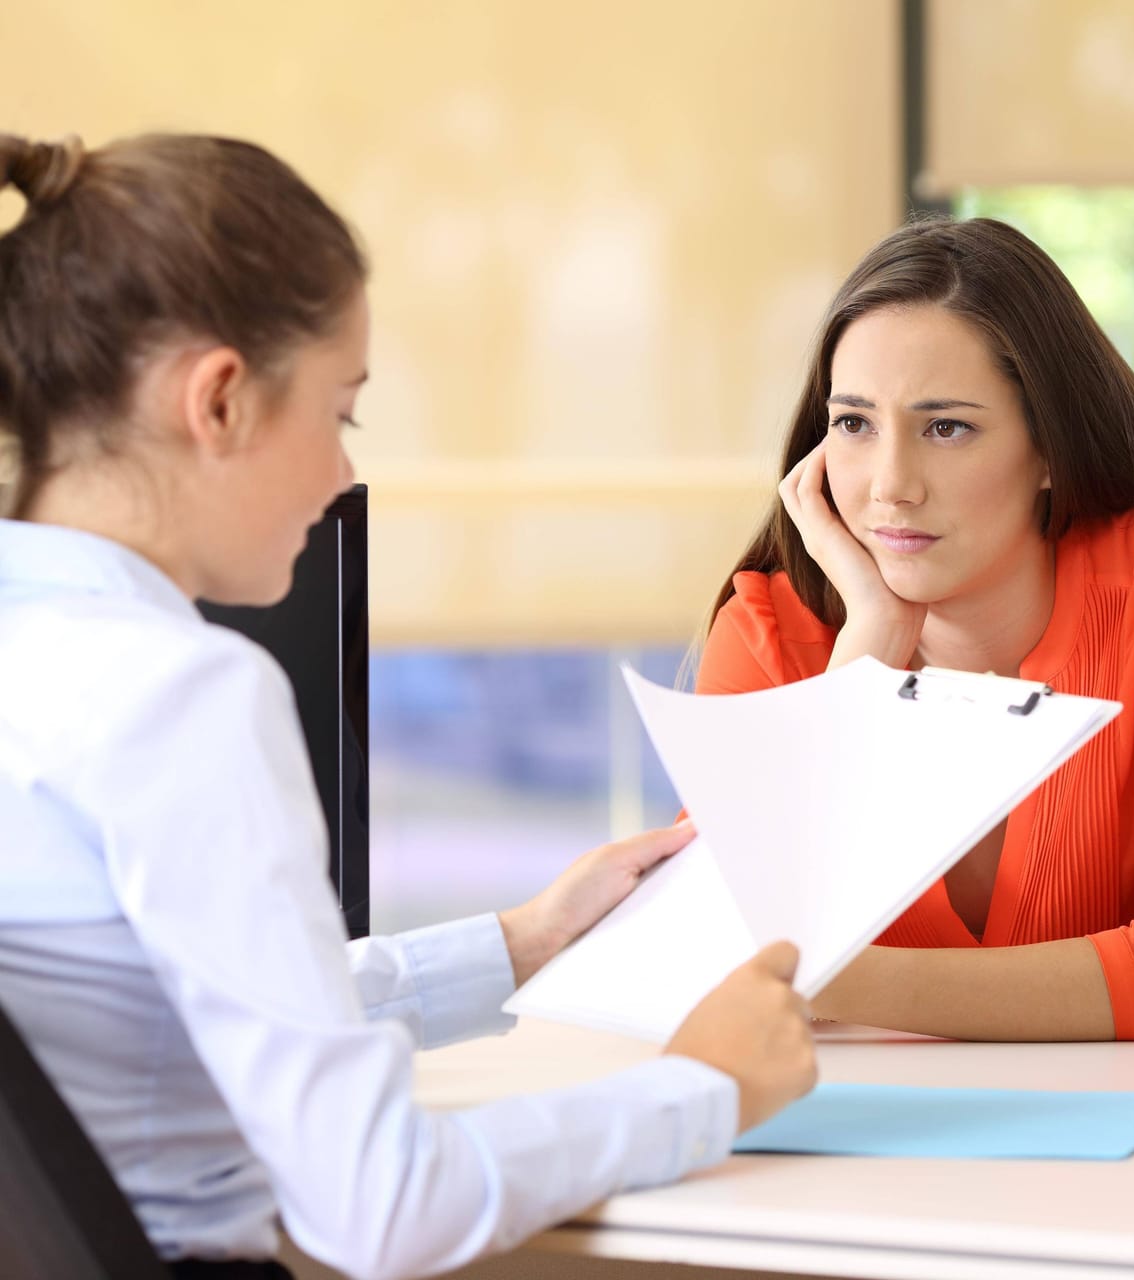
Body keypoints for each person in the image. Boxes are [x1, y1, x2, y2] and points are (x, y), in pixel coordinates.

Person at [0, 132, 816, 1280]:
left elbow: (177, 999)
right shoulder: (180, 694)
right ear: (221, 400)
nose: (342, 476)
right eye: (343, 413)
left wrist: (522, 944)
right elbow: (380, 1206)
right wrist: (700, 1087)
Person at [696, 217, 1134, 1046]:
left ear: (1049, 446)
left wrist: (838, 978)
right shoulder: (770, 633)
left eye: (946, 427)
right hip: (862, 1149)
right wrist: (867, 650)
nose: (890, 486)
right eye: (854, 424)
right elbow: (713, 945)